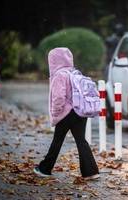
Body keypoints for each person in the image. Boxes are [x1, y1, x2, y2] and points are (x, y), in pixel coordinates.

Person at [33, 48, 99, 180]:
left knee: (57, 140)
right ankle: (91, 172)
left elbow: (59, 97)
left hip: (66, 113)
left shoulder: (59, 75)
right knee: (81, 141)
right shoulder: (74, 72)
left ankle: (44, 169)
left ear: (54, 60)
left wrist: (56, 113)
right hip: (80, 111)